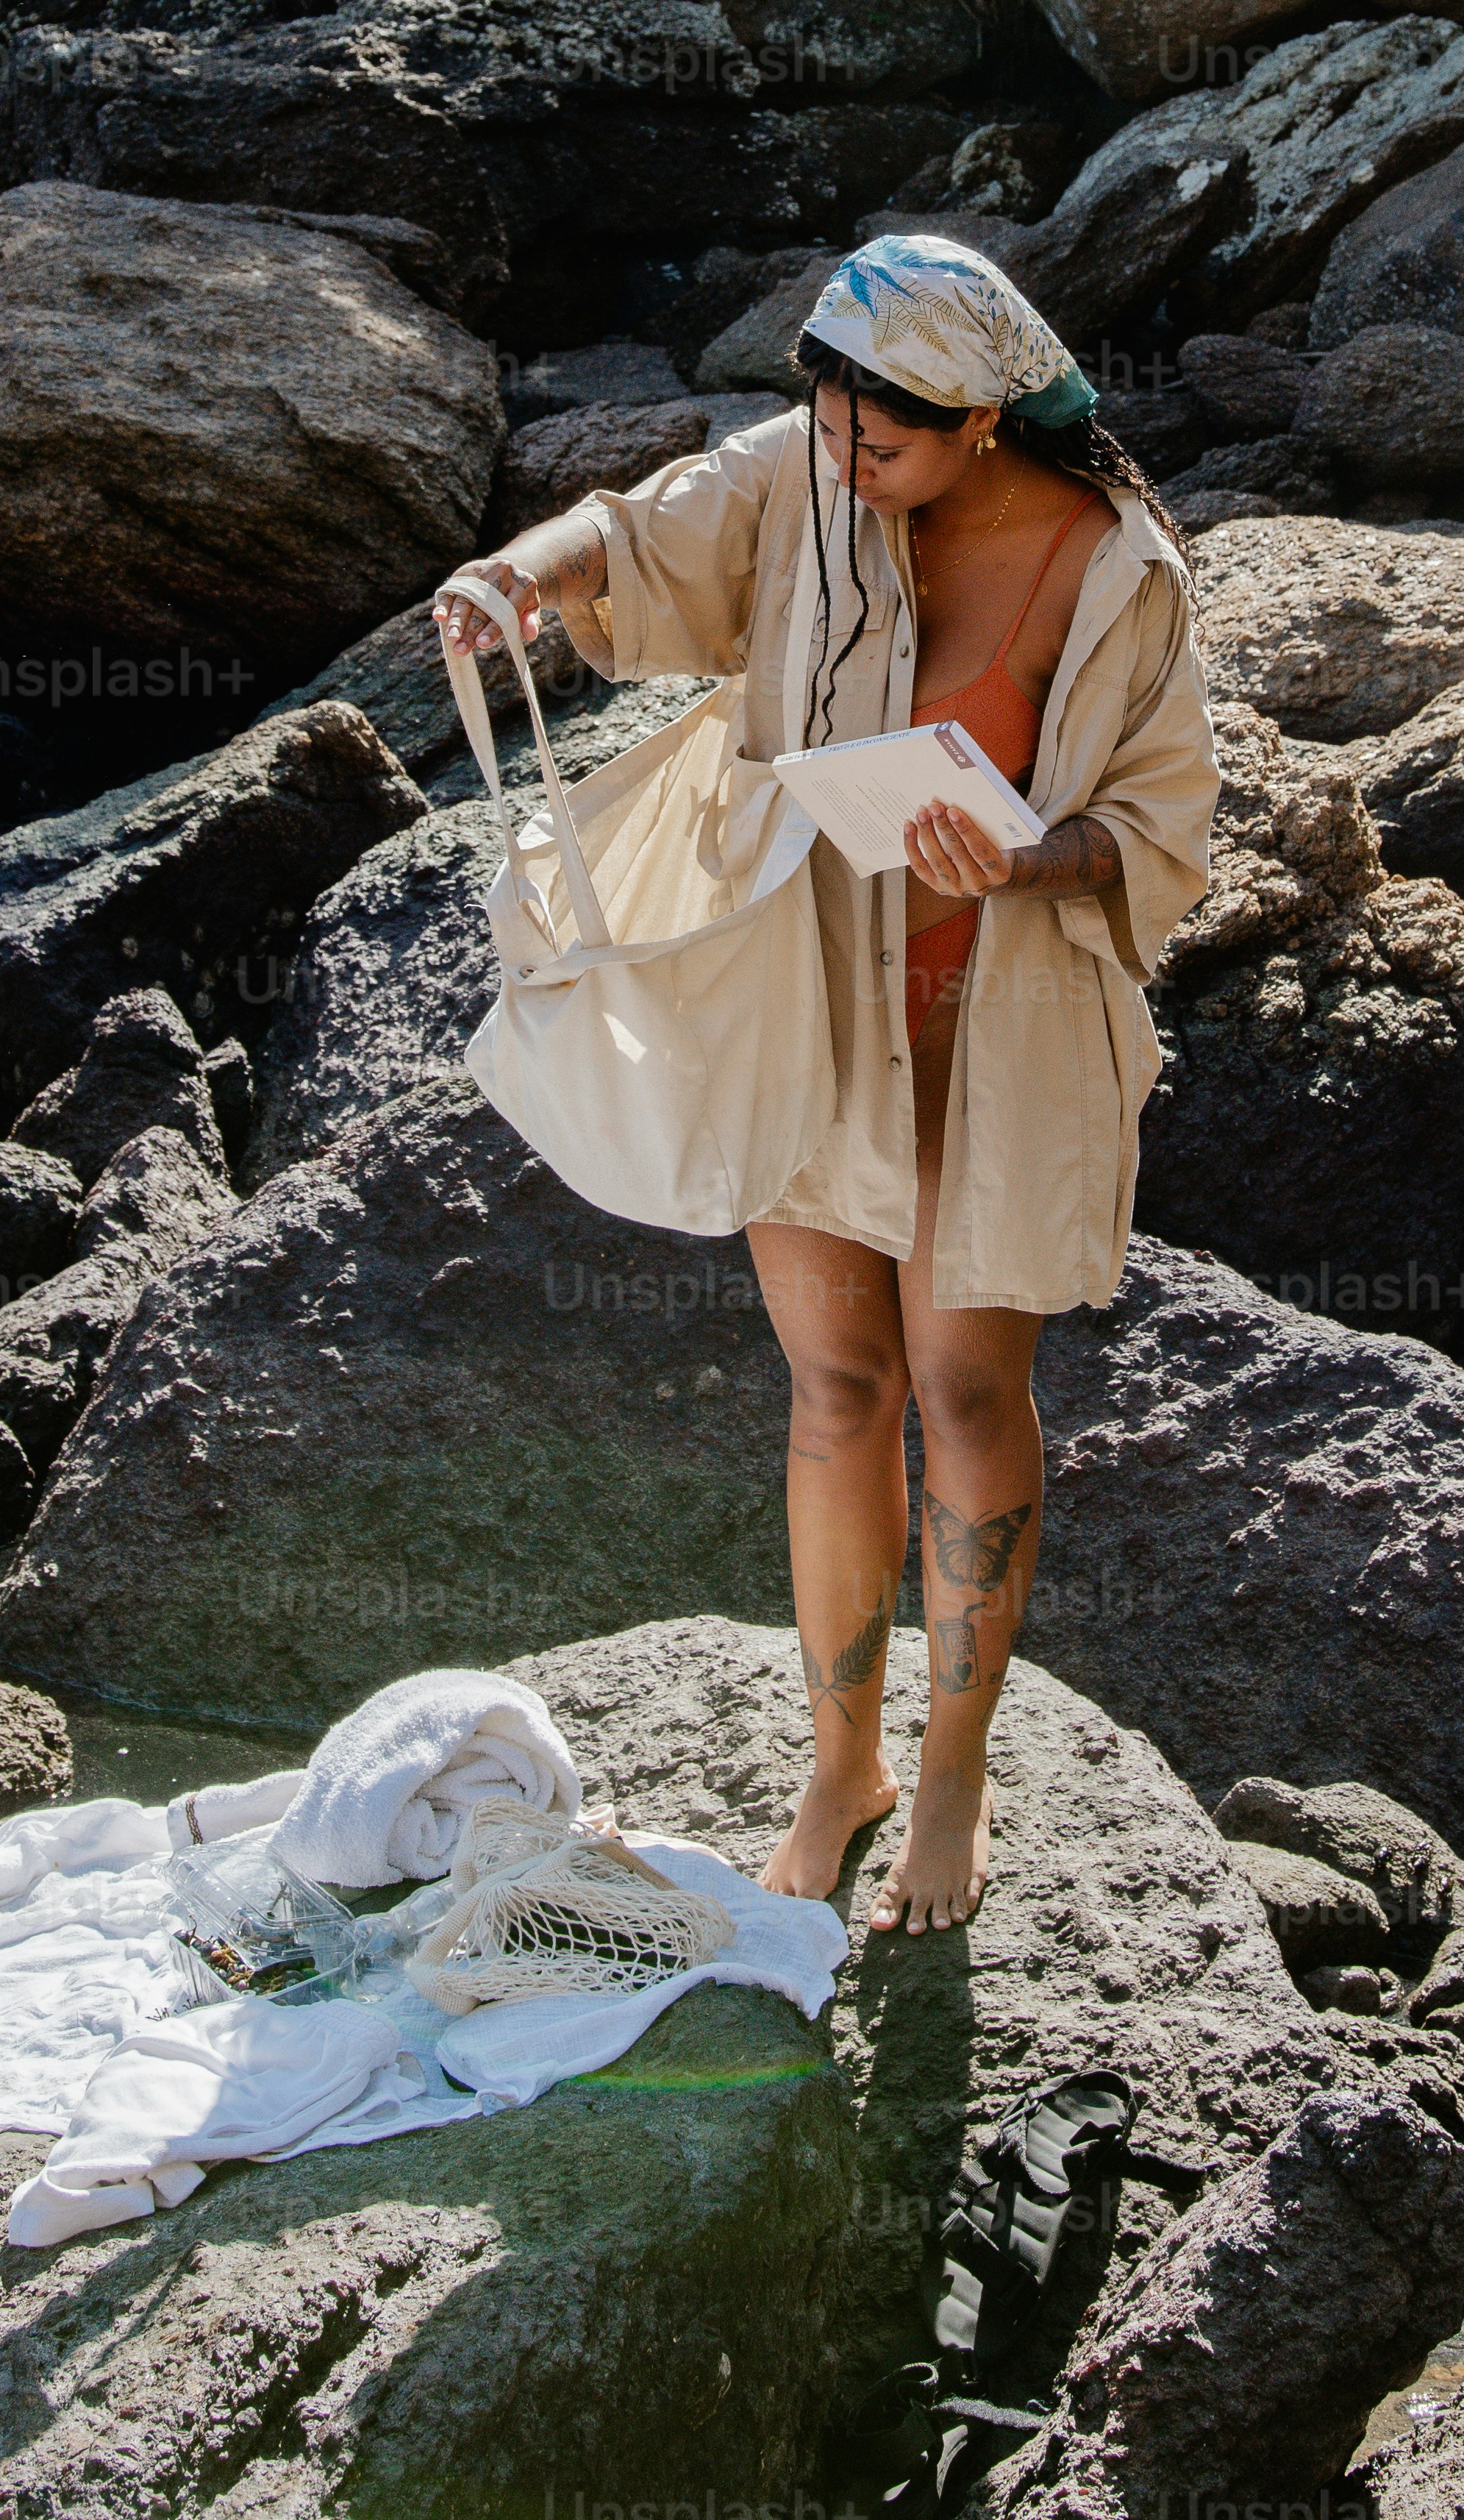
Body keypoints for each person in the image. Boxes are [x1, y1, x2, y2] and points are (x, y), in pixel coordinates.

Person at [434, 232, 1217, 1933]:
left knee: (956, 1395)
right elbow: (643, 533)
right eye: (829, 420)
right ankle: (838, 1759)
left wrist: (1025, 853)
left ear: (983, 423)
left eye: (887, 439)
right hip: (809, 1009)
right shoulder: (809, 475)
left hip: (993, 1034)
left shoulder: (1114, 568)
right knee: (837, 1394)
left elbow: (1160, 829)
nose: (847, 460)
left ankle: (951, 1775)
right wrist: (519, 568)